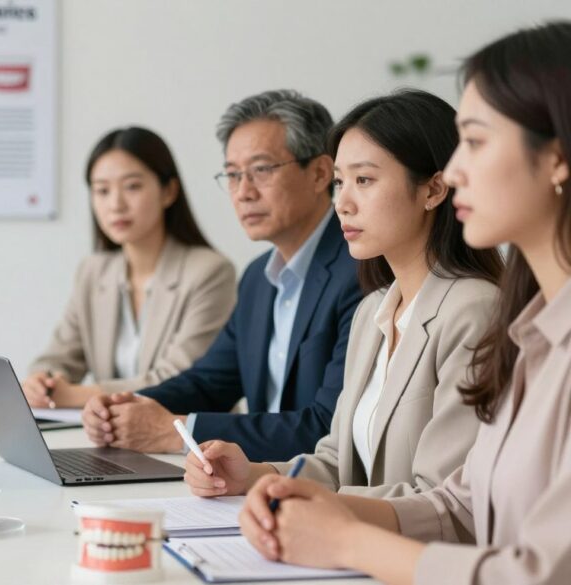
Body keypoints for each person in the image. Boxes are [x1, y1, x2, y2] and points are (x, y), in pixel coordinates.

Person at [238, 22, 571, 585]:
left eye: (477, 141)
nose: (458, 169)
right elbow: (459, 506)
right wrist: (282, 490)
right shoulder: (530, 333)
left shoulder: (483, 312)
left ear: (558, 157)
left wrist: (346, 539)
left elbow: (539, 572)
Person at [183, 90, 502, 500]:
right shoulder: (374, 310)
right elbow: (338, 462)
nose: (342, 203)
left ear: (433, 189)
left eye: (364, 180)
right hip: (352, 548)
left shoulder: (473, 310)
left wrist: (320, 509)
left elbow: (445, 500)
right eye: (339, 182)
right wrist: (254, 475)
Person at [82, 90, 363, 459]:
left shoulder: (360, 271)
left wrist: (178, 433)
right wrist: (123, 407)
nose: (244, 192)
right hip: (253, 482)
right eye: (232, 175)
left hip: (317, 491)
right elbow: (210, 382)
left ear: (320, 173)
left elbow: (328, 426)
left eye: (261, 170)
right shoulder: (257, 279)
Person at [22, 127, 236, 408]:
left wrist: (78, 395)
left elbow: (180, 378)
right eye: (102, 190)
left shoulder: (210, 271)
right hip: (112, 438)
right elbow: (60, 356)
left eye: (132, 186)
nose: (116, 204)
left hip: (188, 440)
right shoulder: (93, 271)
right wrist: (43, 381)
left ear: (169, 191)